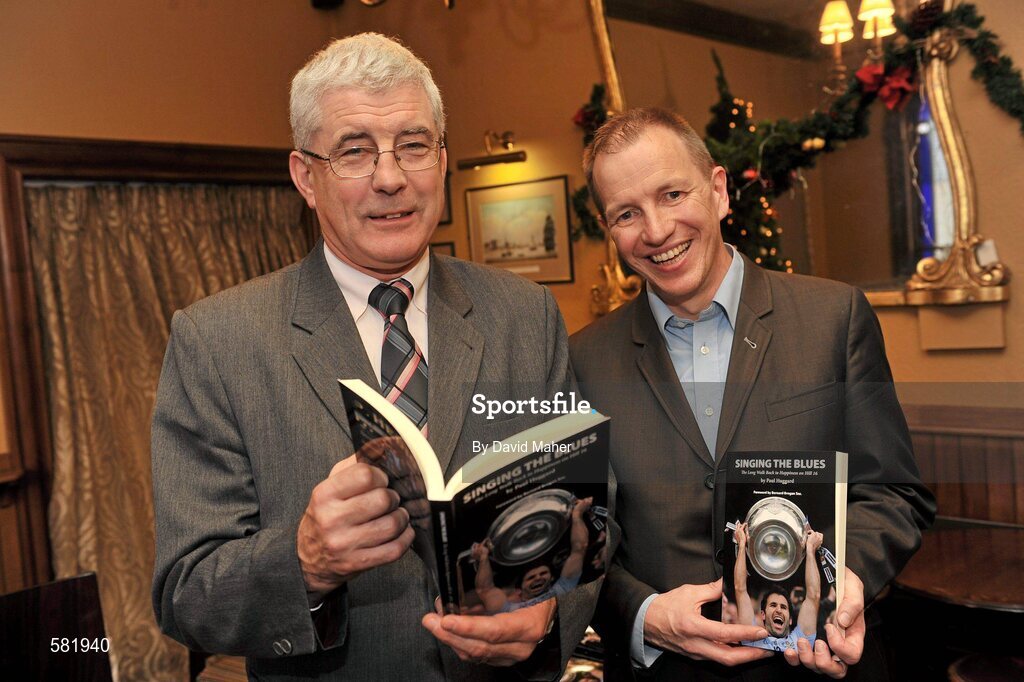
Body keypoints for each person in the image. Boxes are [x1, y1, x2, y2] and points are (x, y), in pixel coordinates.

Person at [151, 33, 594, 681]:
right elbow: (185, 594)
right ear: (306, 176)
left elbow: (582, 508)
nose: (391, 178)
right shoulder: (218, 342)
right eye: (354, 152)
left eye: (413, 145)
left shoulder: (523, 314)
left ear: (442, 157)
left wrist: (550, 609)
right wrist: (304, 561)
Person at [569, 108, 935, 680]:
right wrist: (642, 613)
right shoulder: (583, 360)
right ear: (609, 230)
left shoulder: (833, 318)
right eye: (627, 213)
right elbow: (582, 540)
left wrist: (842, 585)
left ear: (718, 191)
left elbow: (893, 493)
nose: (657, 231)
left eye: (672, 195)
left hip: (819, 666)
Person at [473, 497, 593, 613]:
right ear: (519, 589)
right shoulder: (509, 610)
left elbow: (579, 549)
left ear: (552, 578)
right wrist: (483, 558)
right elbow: (485, 590)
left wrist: (577, 516)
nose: (538, 578)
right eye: (531, 578)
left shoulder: (562, 589)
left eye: (543, 573)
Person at [733, 522, 822, 652]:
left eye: (784, 607)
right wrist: (742, 545)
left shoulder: (800, 640)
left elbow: (814, 595)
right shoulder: (751, 638)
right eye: (773, 605)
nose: (779, 610)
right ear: (762, 614)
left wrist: (810, 549)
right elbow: (740, 588)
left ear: (791, 620)